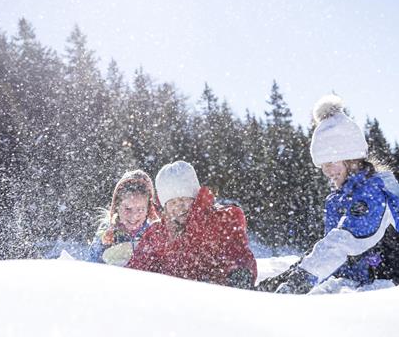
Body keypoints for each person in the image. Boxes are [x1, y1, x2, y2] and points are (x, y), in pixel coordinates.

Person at [257, 95, 399, 294]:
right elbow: (326, 250)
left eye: (331, 162)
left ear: (351, 159)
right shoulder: (340, 198)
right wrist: (284, 278)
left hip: (386, 291)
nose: (327, 170)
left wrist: (301, 279)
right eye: (322, 165)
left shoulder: (373, 193)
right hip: (359, 286)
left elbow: (342, 242)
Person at [127, 160, 257, 289]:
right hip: (170, 300)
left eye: (184, 199)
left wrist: (240, 271)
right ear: (164, 207)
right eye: (173, 202)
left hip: (216, 294)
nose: (179, 207)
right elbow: (138, 267)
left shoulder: (219, 221)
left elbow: (238, 252)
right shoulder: (157, 235)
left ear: (195, 198)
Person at [89, 169, 161, 266]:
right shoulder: (107, 234)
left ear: (148, 210)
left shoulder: (152, 234)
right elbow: (93, 264)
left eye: (140, 209)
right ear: (117, 206)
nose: (134, 216)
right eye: (127, 209)